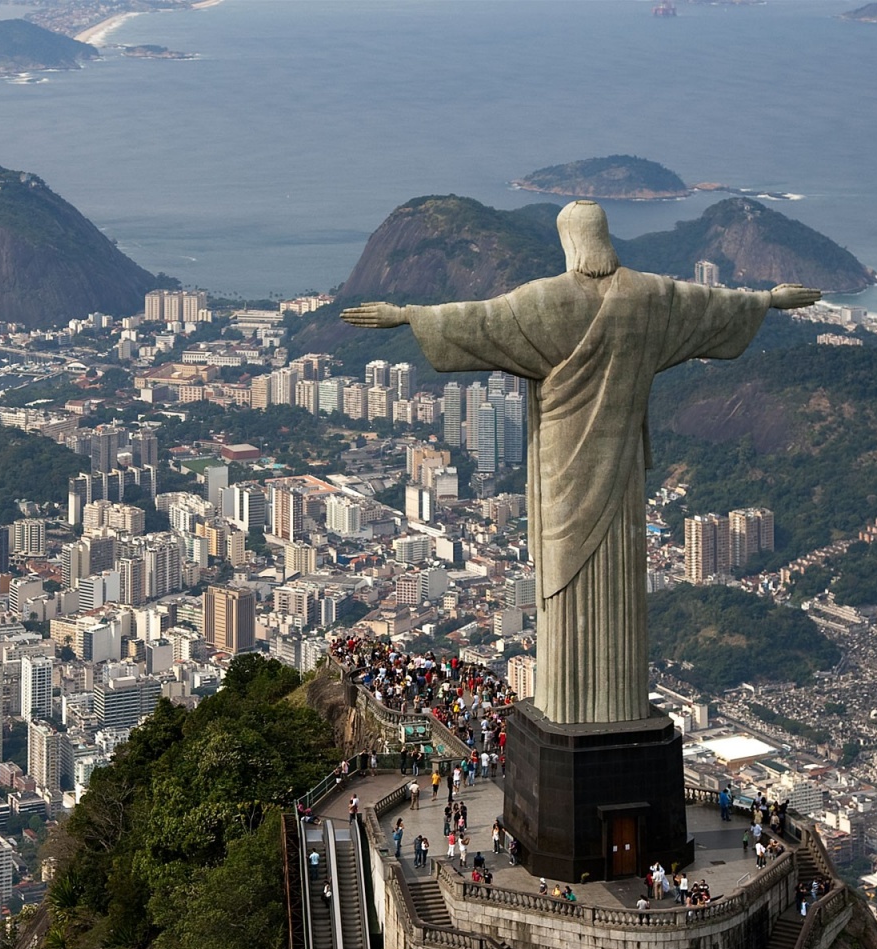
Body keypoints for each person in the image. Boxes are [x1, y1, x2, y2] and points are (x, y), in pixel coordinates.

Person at [342, 202, 819, 726]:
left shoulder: (545, 301)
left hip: (562, 469)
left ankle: (567, 704)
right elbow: (710, 306)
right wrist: (768, 300)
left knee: (565, 585)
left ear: (570, 242)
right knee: (618, 580)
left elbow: (479, 319)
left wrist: (409, 315)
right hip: (623, 469)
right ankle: (618, 705)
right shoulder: (649, 296)